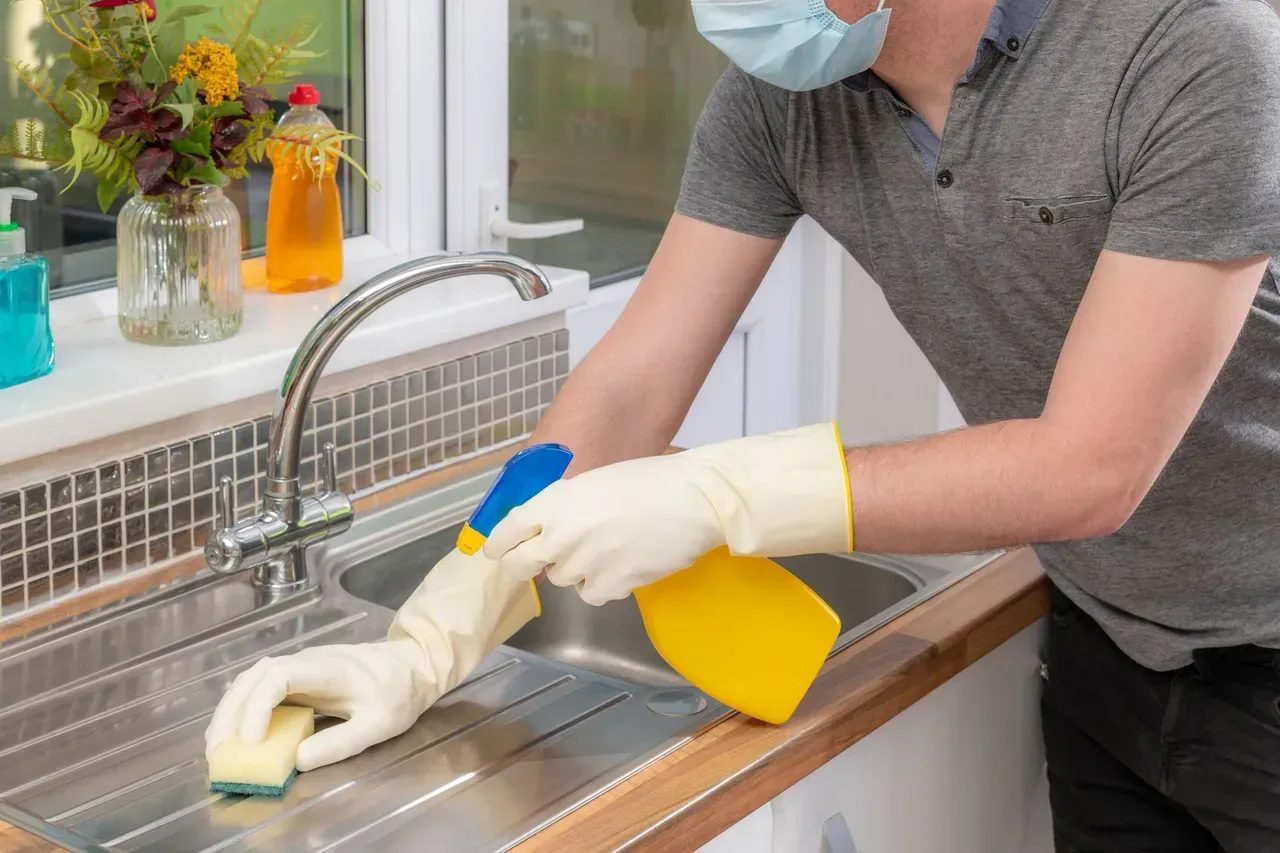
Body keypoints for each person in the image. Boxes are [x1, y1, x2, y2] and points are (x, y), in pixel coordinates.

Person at [207, 0, 1280, 848]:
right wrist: (434, 632)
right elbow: (629, 388)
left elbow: (1091, 466)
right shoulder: (777, 102)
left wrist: (715, 496)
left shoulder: (1192, 48)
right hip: (1108, 637)